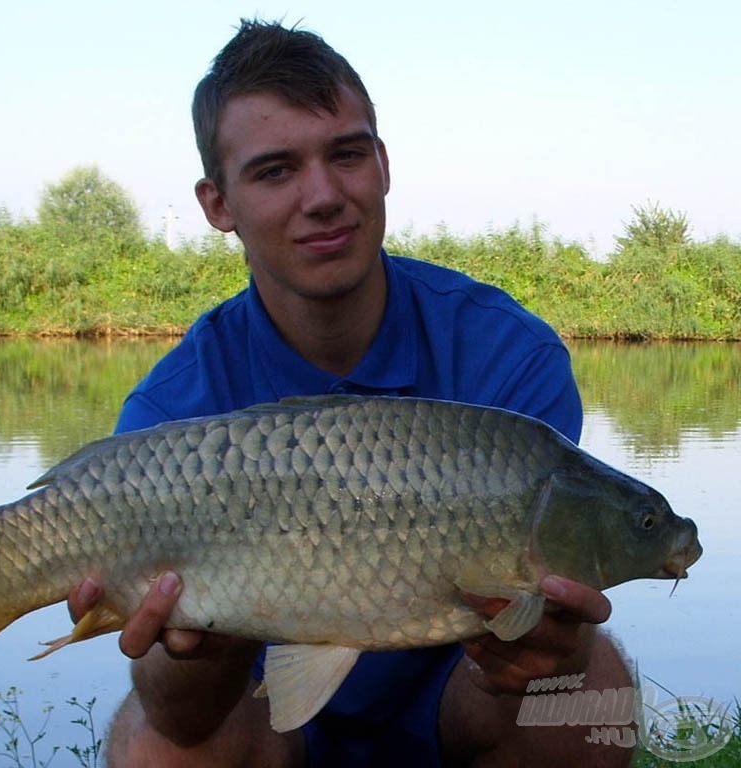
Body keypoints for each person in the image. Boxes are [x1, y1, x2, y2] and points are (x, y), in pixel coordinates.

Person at [68, 19, 633, 767]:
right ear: (218, 205)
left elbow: (547, 628)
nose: (324, 195)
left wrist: (547, 652)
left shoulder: (508, 356)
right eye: (275, 171)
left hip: (461, 698)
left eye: (347, 154)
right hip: (268, 717)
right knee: (160, 746)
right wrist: (196, 656)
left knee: (590, 694)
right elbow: (183, 715)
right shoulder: (173, 413)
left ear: (384, 164)